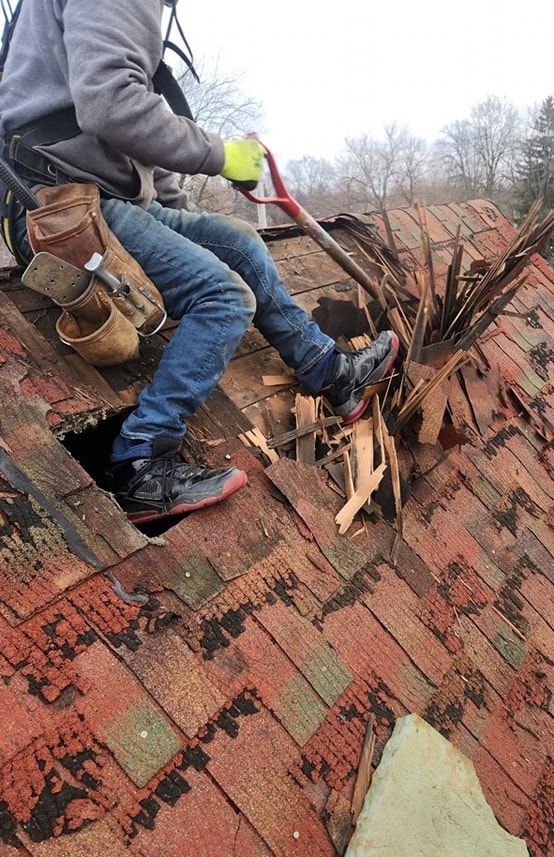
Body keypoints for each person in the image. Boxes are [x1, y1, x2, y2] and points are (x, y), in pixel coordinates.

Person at [0, 0, 398, 524]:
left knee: (239, 244)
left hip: (105, 198)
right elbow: (110, 105)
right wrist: (220, 154)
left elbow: (133, 148)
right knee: (224, 296)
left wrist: (187, 226)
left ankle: (327, 370)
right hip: (59, 209)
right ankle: (139, 461)